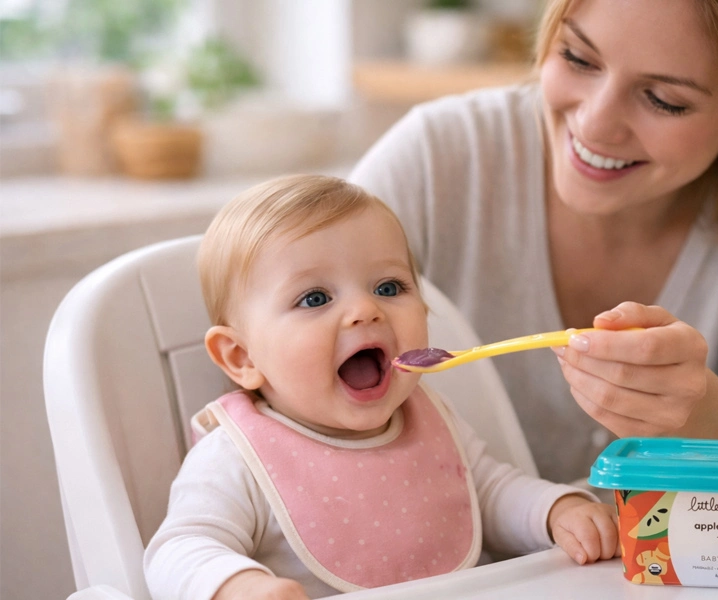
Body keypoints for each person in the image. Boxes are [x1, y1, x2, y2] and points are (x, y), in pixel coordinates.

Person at [349, 0, 718, 531]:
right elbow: (271, 347)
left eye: (663, 99)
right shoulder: (440, 157)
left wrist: (705, 416)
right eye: (578, 58)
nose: (596, 124)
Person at [143, 175, 618, 600]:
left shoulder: (427, 415)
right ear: (242, 358)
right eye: (315, 298)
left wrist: (556, 511)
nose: (365, 310)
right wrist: (235, 585)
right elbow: (179, 547)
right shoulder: (238, 456)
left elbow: (489, 492)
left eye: (389, 287)